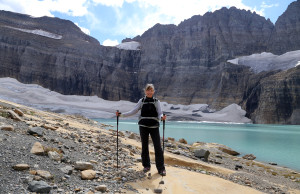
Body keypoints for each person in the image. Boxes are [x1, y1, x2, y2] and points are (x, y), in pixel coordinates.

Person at [116, 84, 167, 176]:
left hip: (154, 126)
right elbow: (133, 111)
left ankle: (161, 168)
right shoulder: (141, 101)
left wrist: (162, 117)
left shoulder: (156, 101)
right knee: (144, 146)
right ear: (145, 91)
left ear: (153, 91)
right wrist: (121, 115)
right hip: (143, 126)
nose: (149, 92)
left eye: (151, 90)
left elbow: (159, 113)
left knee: (158, 147)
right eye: (148, 90)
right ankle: (146, 166)